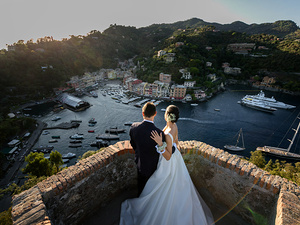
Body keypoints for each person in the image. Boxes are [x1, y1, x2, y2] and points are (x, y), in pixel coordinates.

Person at [120, 105, 215, 225]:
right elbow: (177, 142)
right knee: (178, 187)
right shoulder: (174, 126)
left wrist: (160, 143)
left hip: (168, 162)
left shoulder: (166, 134)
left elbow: (168, 156)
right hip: (177, 159)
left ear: (166, 115)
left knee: (162, 186)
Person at [129, 102, 166, 196]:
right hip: (153, 166)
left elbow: (133, 144)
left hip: (140, 163)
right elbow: (166, 151)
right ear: (155, 114)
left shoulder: (133, 127)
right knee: (151, 190)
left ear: (143, 113)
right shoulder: (159, 133)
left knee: (141, 187)